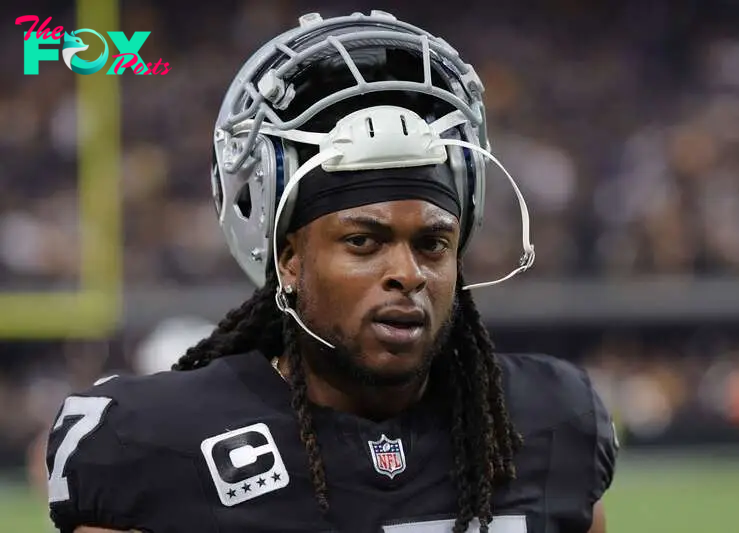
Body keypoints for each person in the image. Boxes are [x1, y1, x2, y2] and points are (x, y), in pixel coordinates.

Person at [45, 11, 617, 533]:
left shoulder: (544, 421)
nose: (407, 273)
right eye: (364, 241)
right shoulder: (154, 443)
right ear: (289, 260)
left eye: (433, 243)